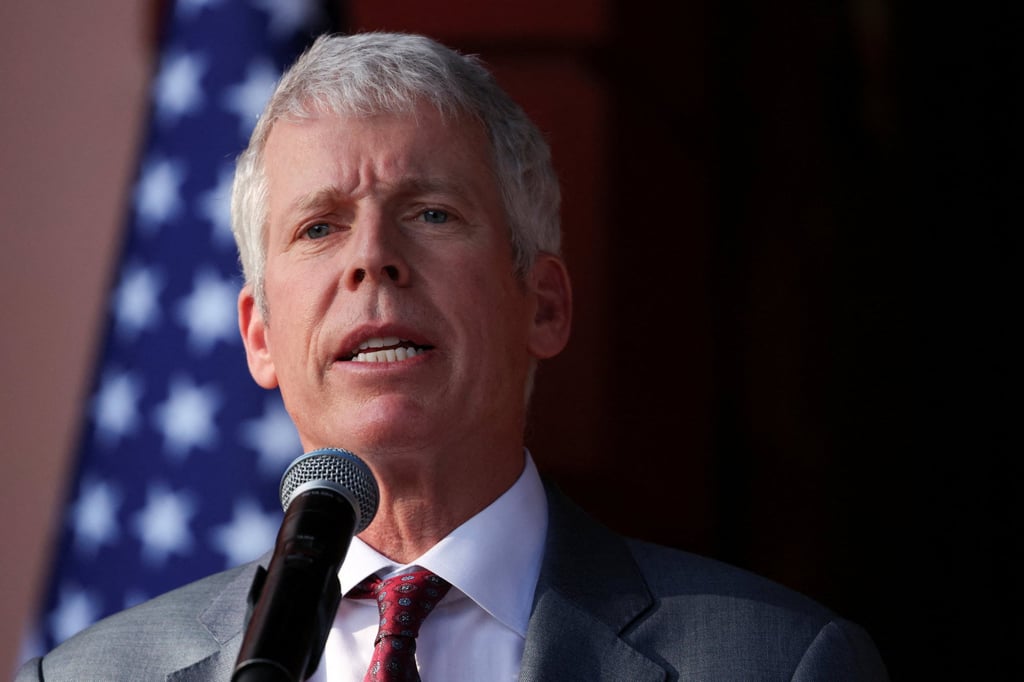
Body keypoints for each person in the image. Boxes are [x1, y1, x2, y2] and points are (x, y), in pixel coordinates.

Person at [17, 32, 889, 681]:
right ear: (260, 337)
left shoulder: (777, 663)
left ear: (542, 306)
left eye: (431, 212)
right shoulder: (87, 675)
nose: (372, 258)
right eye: (320, 227)